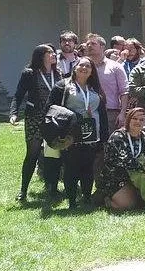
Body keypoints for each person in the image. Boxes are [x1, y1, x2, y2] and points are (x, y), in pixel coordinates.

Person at [46, 57, 110, 209]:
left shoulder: (95, 88)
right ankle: (72, 201)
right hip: (70, 135)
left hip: (91, 134)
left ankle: (87, 198)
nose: (84, 68)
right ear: (75, 68)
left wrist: (104, 137)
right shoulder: (63, 86)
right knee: (71, 168)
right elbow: (51, 108)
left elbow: (102, 113)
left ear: (92, 71)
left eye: (88, 66)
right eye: (81, 65)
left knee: (88, 168)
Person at [10, 44, 61, 201]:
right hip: (35, 118)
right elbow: (18, 95)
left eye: (53, 52)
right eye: (49, 53)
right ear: (41, 56)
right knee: (32, 155)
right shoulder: (29, 74)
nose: (53, 55)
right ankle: (23, 190)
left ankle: (52, 188)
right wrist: (13, 113)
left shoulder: (57, 74)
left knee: (53, 154)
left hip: (54, 119)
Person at [101, 107, 145, 212]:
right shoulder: (118, 136)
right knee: (128, 205)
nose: (138, 122)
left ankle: (143, 196)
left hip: (138, 174)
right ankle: (107, 199)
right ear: (128, 120)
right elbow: (125, 159)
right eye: (134, 118)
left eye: (141, 120)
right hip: (118, 176)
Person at [86, 34, 128, 131]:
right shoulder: (82, 67)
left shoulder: (115, 67)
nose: (89, 46)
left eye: (93, 43)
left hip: (110, 113)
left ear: (102, 46)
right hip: (87, 113)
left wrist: (122, 113)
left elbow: (124, 91)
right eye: (87, 44)